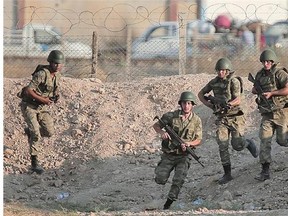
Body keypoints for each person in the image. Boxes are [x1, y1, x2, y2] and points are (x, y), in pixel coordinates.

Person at [198, 57, 258, 185]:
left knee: (237, 145)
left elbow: (238, 99)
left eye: (223, 70)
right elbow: (200, 94)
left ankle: (247, 143)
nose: (221, 73)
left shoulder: (233, 81)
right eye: (219, 70)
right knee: (222, 144)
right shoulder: (213, 82)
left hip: (235, 116)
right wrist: (210, 105)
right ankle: (227, 173)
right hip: (222, 118)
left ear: (227, 70)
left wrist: (229, 105)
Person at [153, 91, 202, 210]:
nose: (186, 106)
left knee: (178, 180)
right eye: (184, 103)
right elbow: (156, 125)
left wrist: (189, 143)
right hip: (169, 154)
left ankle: (167, 205)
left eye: (189, 103)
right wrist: (162, 133)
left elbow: (199, 139)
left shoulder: (196, 120)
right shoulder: (171, 116)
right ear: (180, 104)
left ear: (192, 105)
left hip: (184, 155)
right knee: (160, 179)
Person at [18, 50, 65, 174]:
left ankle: (30, 132)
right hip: (30, 106)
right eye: (55, 63)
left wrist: (55, 97)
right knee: (36, 134)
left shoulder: (58, 76)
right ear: (50, 62)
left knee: (49, 132)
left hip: (42, 108)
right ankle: (34, 164)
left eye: (60, 63)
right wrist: (42, 99)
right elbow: (28, 90)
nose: (58, 66)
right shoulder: (41, 74)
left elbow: (55, 90)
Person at [251, 49, 288, 181]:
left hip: (281, 111)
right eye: (264, 61)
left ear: (273, 62)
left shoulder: (280, 73)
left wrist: (272, 93)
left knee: (282, 140)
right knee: (264, 140)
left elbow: (287, 89)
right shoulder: (260, 75)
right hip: (267, 113)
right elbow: (254, 89)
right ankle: (265, 171)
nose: (266, 63)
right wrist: (258, 91)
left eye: (268, 61)